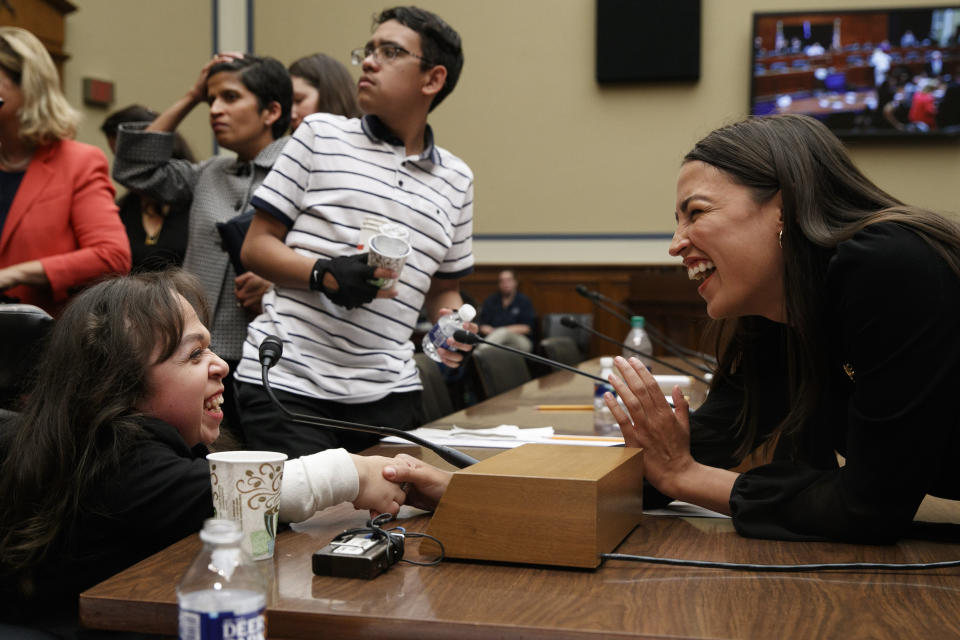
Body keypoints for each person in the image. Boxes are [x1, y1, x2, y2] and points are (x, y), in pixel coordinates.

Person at [598, 114, 960, 544]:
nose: (676, 243)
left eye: (695, 213)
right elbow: (711, 438)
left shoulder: (893, 266)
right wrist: (588, 475)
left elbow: (868, 507)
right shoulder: (785, 304)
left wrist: (684, 478)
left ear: (784, 206)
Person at [0, 269, 423, 631]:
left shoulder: (165, 444)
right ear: (118, 385)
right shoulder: (109, 454)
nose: (219, 364)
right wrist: (350, 472)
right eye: (194, 353)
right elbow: (232, 496)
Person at [234, 6, 475, 458]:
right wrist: (323, 272)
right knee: (305, 529)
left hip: (390, 393)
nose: (368, 61)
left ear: (432, 79)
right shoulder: (319, 135)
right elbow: (256, 246)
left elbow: (446, 291)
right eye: (368, 50)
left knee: (392, 526)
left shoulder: (457, 180)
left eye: (390, 52)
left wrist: (453, 324)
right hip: (290, 384)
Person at [112, 54, 291, 432]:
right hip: (199, 354)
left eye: (230, 97)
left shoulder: (300, 172)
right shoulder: (208, 172)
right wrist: (192, 96)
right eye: (211, 101)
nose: (216, 110)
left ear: (271, 111)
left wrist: (279, 283)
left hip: (274, 357)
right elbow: (133, 166)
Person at [0, 27, 130, 315]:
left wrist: (13, 274)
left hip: (35, 338)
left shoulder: (78, 162)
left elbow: (112, 256)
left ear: (27, 85)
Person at [101, 104, 195, 272]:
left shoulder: (198, 201)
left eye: (132, 160)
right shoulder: (122, 210)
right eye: (120, 160)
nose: (125, 170)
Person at [289, 52, 361, 131]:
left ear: (330, 96)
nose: (292, 115)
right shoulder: (286, 143)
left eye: (298, 100)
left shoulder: (369, 139)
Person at [477, 269, 537, 352]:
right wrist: (494, 332)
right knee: (501, 351)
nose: (505, 284)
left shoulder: (523, 301)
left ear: (515, 282)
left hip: (520, 341)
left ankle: (479, 352)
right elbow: (482, 326)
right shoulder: (491, 300)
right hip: (496, 341)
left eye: (509, 280)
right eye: (502, 281)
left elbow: (526, 328)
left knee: (503, 333)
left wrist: (500, 331)